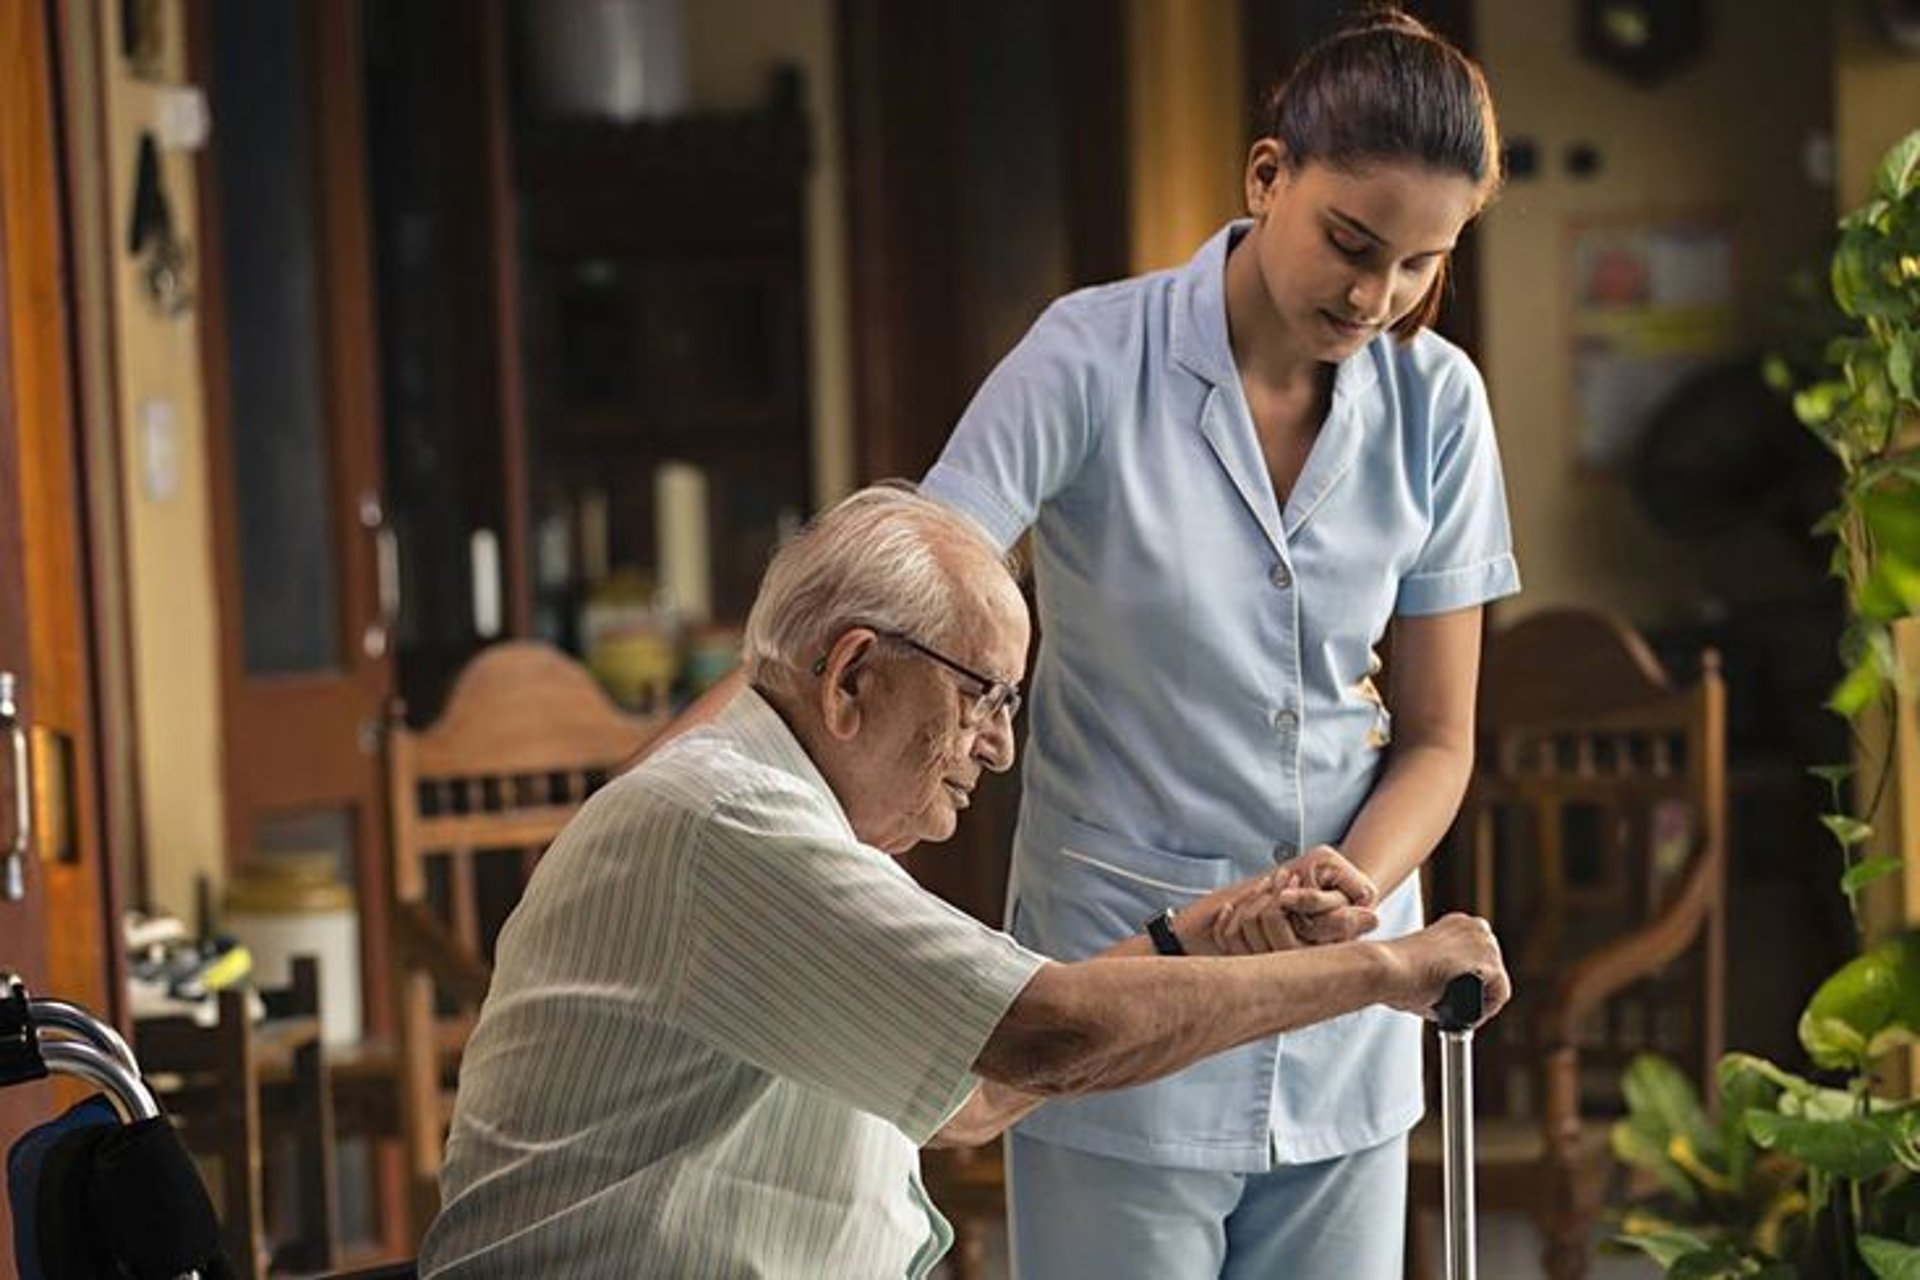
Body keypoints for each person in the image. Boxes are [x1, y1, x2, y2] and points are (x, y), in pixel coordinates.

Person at [416, 484, 1509, 1279]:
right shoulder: (729, 820)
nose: (996, 748)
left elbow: (975, 1097)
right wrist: (1381, 969)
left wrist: (1204, 937)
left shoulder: (784, 824)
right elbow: (1046, 1034)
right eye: (984, 698)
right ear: (852, 674)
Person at [919, 9, 1520, 1277]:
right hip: (1121, 976)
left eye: (1422, 264)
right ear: (1266, 177)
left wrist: (1351, 892)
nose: (1376, 296)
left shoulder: (1440, 404)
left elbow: (1439, 734)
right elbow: (921, 562)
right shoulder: (1090, 354)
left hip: (1348, 997)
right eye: (1351, 243)